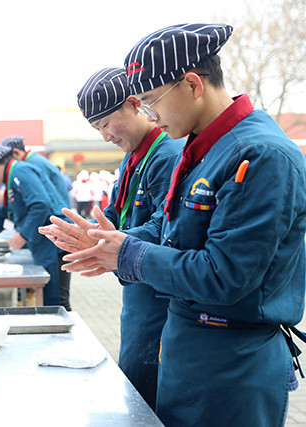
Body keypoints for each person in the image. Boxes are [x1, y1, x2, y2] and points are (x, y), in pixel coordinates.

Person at [42, 24, 306, 426]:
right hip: (190, 349)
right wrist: (110, 243)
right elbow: (172, 230)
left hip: (231, 363)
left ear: (192, 85)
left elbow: (225, 275)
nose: (149, 115)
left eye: (150, 102)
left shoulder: (260, 155)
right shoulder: (205, 148)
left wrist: (128, 254)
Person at [73, 66, 184, 409]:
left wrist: (107, 244)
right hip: (136, 295)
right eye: (97, 129)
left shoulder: (167, 155)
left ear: (135, 104)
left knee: (147, 397)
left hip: (159, 298)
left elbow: (167, 228)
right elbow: (118, 217)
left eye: (107, 124)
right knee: (133, 385)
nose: (105, 136)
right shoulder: (133, 158)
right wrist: (92, 235)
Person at [0, 144, 70, 308]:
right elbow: (5, 212)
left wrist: (23, 235)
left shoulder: (20, 171)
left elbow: (40, 204)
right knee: (48, 298)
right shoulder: (12, 175)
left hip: (53, 241)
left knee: (55, 300)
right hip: (44, 242)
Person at [0, 136, 70, 210]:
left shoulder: (33, 164)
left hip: (58, 209)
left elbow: (41, 199)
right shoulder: (33, 160)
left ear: (16, 152)